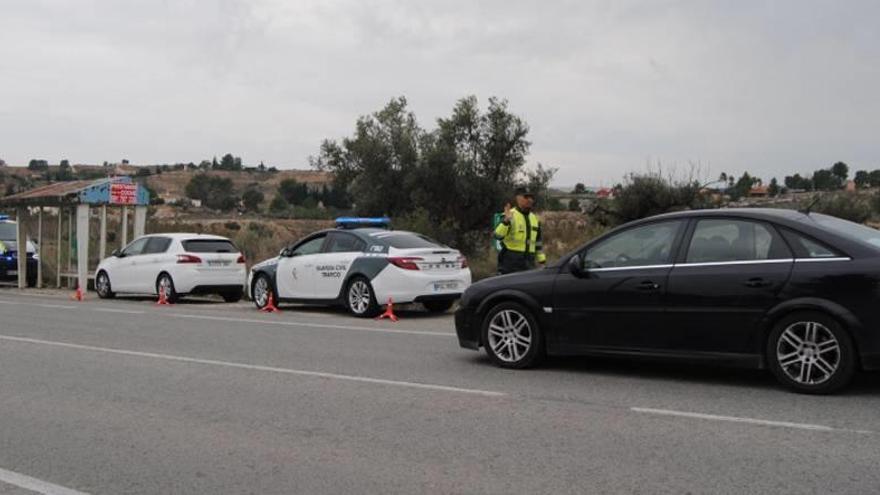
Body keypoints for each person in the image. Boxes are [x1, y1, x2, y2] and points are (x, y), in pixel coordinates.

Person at [494, 186, 546, 274]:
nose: (530, 200)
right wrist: (506, 221)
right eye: (526, 197)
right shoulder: (509, 215)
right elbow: (497, 236)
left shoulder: (535, 219)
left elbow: (538, 242)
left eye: (531, 197)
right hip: (510, 264)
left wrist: (542, 261)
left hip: (529, 264)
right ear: (518, 198)